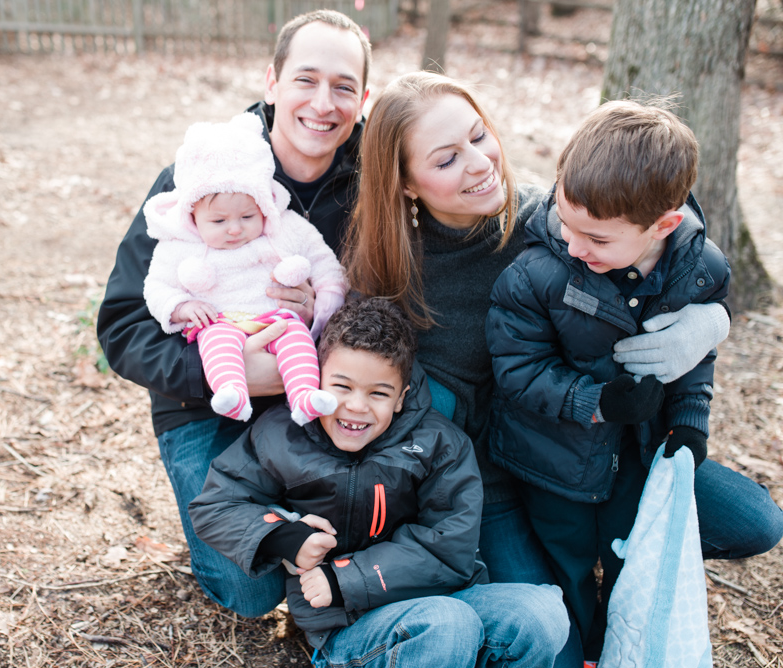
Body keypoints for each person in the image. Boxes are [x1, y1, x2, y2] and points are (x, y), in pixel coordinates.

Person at [341, 71, 783, 667]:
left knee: (753, 523)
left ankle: (624, 548)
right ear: (405, 184)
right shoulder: (392, 276)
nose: (479, 164)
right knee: (563, 648)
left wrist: (711, 321)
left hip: (599, 447)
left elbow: (659, 221)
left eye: (479, 136)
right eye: (447, 159)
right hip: (493, 481)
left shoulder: (552, 221)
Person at [97, 9, 370, 617]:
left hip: (313, 389)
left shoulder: (372, 182)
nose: (323, 103)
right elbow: (121, 325)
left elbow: (385, 302)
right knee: (251, 591)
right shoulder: (202, 174)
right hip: (208, 398)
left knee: (348, 558)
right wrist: (225, 373)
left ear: (362, 98)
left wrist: (326, 317)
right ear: (271, 83)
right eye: (305, 79)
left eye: (343, 86)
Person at [189, 297, 568, 668]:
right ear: (316, 376)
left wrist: (345, 577)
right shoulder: (283, 434)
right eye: (341, 387)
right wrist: (285, 537)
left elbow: (449, 547)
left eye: (378, 393)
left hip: (436, 596)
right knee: (446, 623)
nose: (356, 406)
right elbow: (217, 504)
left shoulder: (441, 444)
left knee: (542, 612)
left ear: (401, 398)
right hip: (348, 621)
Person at [484, 100, 730, 663]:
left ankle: (613, 645)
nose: (574, 245)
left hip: (638, 460)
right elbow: (517, 370)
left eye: (595, 238)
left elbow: (693, 355)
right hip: (552, 459)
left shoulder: (699, 268)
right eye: (565, 223)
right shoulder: (537, 273)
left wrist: (690, 422)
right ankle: (579, 644)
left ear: (663, 225)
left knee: (627, 555)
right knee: (567, 563)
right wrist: (595, 400)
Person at [142, 112, 347, 425]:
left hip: (276, 318)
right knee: (215, 342)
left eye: (248, 217)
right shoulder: (179, 245)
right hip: (222, 321)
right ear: (192, 215)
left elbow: (322, 259)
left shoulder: (284, 227)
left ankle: (305, 396)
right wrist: (181, 306)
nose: (235, 230)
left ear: (263, 205)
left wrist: (328, 295)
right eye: (219, 221)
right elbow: (155, 287)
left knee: (296, 338)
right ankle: (232, 393)